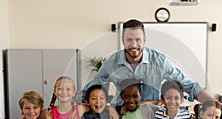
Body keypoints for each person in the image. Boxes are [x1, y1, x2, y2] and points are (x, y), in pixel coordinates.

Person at [82, 19, 212, 107]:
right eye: (129, 40)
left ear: (144, 40)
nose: (134, 45)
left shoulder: (159, 61)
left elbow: (188, 85)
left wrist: (213, 105)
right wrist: (70, 105)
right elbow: (92, 88)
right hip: (121, 113)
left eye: (138, 40)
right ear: (122, 40)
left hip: (152, 114)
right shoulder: (112, 63)